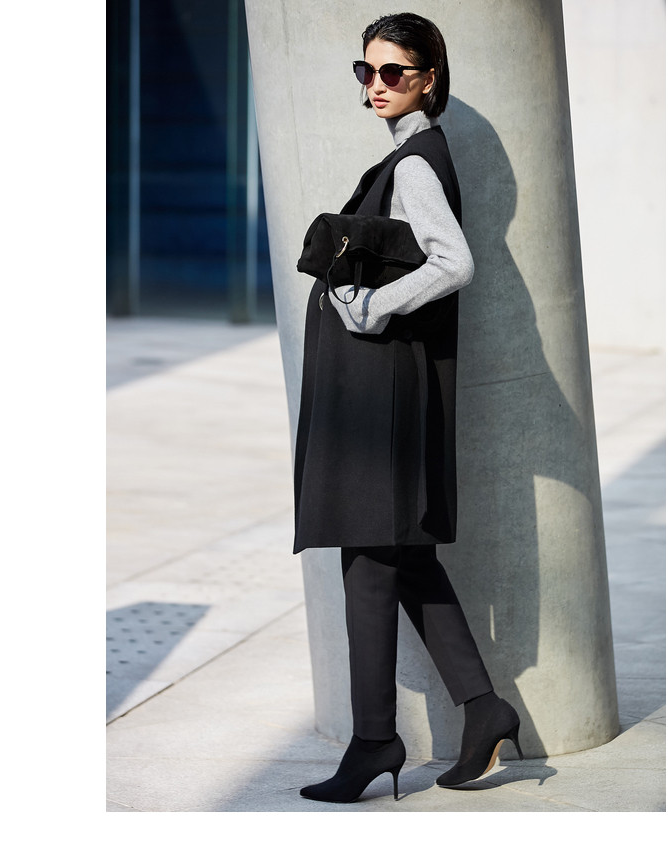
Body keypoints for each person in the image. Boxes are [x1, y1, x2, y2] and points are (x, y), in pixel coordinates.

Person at [293, 12, 523, 804]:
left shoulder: (418, 161)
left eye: (393, 71)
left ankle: (373, 740)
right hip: (386, 392)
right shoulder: (408, 155)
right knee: (401, 554)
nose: (378, 85)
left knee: (367, 557)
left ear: (428, 77)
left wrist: (371, 308)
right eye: (367, 71)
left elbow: (454, 261)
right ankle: (484, 708)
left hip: (383, 394)